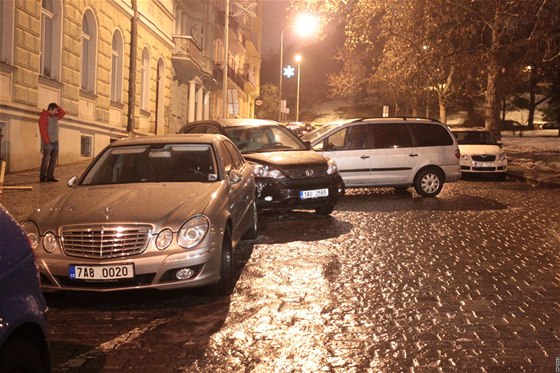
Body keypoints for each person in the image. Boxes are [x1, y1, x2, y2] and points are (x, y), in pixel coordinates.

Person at [38, 102, 66, 182]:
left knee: (53, 160)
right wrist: (47, 142)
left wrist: (57, 107)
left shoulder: (55, 116)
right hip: (48, 142)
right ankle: (42, 176)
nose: (56, 112)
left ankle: (50, 176)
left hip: (55, 141)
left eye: (57, 111)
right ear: (50, 109)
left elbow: (63, 113)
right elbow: (43, 130)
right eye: (55, 110)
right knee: (45, 160)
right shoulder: (44, 117)